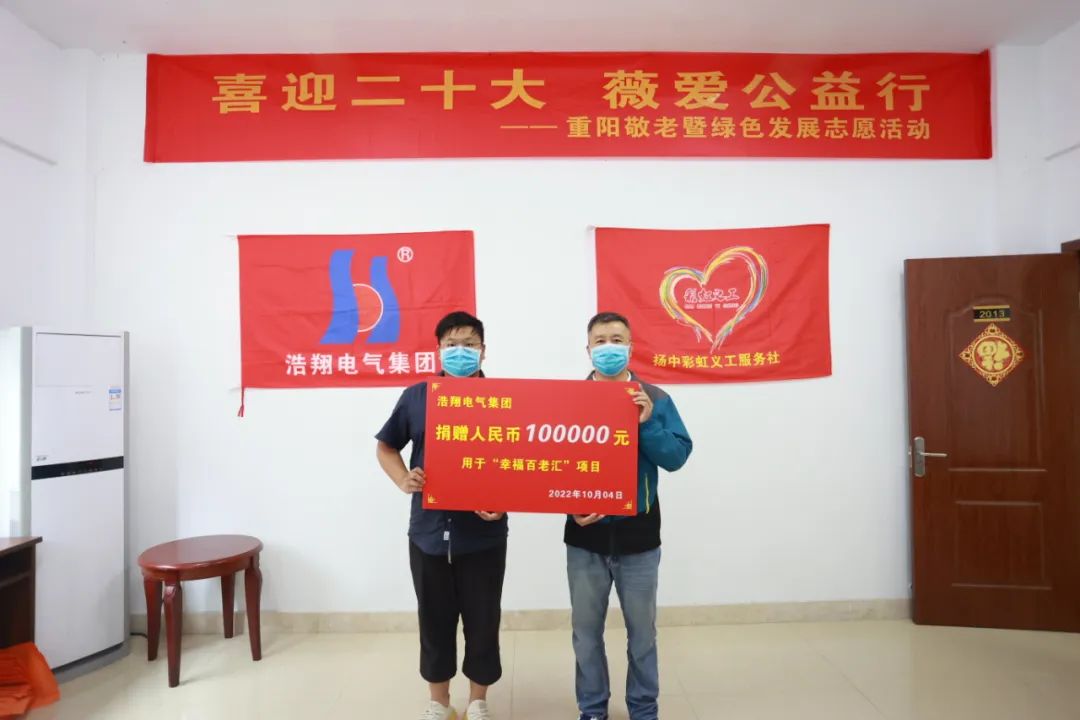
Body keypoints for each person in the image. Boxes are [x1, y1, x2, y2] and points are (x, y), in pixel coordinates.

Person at [376, 311, 507, 720]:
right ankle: (440, 703)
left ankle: (478, 701)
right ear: (438, 350)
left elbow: (522, 463)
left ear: (484, 351)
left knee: (483, 621)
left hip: (483, 535)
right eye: (452, 345)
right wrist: (403, 479)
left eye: (470, 344)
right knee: (434, 622)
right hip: (429, 534)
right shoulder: (417, 397)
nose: (461, 352)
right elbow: (386, 446)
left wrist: (504, 499)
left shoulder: (506, 399)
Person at [565, 312, 693, 720]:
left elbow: (676, 457)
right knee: (586, 634)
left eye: (617, 339)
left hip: (639, 537)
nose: (609, 347)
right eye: (600, 340)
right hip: (584, 537)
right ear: (588, 349)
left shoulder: (654, 398)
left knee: (642, 635)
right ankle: (592, 709)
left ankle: (643, 709)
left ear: (631, 347)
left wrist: (646, 423)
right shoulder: (566, 400)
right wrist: (571, 505)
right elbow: (550, 464)